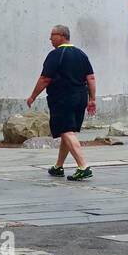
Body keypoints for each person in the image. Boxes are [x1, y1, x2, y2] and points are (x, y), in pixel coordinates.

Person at [27, 24, 96, 182]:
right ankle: (58, 166)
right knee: (68, 131)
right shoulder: (81, 54)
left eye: (53, 35)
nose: (50, 38)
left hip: (62, 98)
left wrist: (33, 96)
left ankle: (83, 166)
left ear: (62, 36)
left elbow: (45, 79)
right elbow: (90, 78)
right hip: (80, 98)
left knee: (65, 130)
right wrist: (92, 99)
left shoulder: (56, 54)